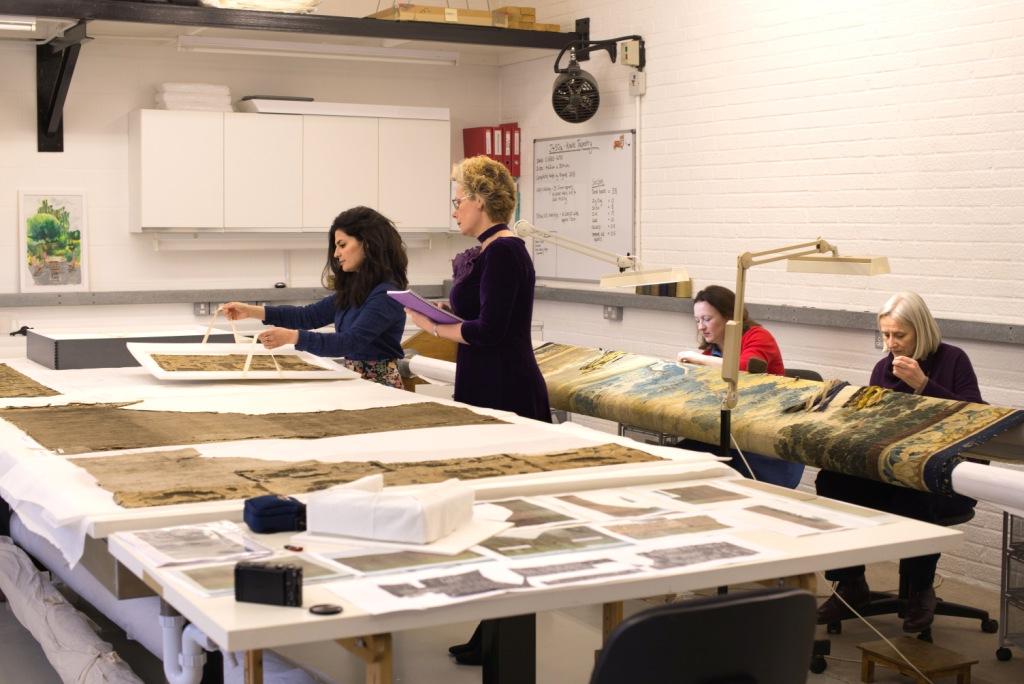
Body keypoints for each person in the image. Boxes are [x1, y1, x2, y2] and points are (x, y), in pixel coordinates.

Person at [405, 155, 550, 666]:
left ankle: (501, 635)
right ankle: (488, 627)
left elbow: (491, 331)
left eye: (458, 199)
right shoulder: (488, 251)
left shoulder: (506, 252)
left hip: (506, 386)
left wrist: (436, 328)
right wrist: (441, 314)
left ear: (482, 200)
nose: (454, 209)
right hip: (484, 379)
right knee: (483, 505)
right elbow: (480, 316)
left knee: (502, 511)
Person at [815, 291, 984, 633]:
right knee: (830, 481)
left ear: (920, 330)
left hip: (945, 479)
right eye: (886, 334)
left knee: (915, 487)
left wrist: (923, 384)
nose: (891, 343)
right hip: (891, 473)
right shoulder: (883, 367)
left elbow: (975, 421)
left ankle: (921, 590)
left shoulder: (954, 360)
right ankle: (850, 583)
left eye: (899, 335)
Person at [222, 206, 408, 388]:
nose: (336, 254)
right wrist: (251, 311)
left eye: (342, 245)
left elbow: (349, 342)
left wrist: (292, 337)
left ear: (367, 243)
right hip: (358, 383)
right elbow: (308, 316)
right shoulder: (356, 290)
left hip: (380, 388)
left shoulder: (386, 296)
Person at [676, 284, 805, 488]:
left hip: (763, 443)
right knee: (678, 459)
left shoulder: (758, 337)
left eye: (707, 319)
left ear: (729, 317)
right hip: (729, 435)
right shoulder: (712, 353)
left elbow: (745, 369)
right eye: (697, 320)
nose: (700, 327)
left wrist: (697, 359)